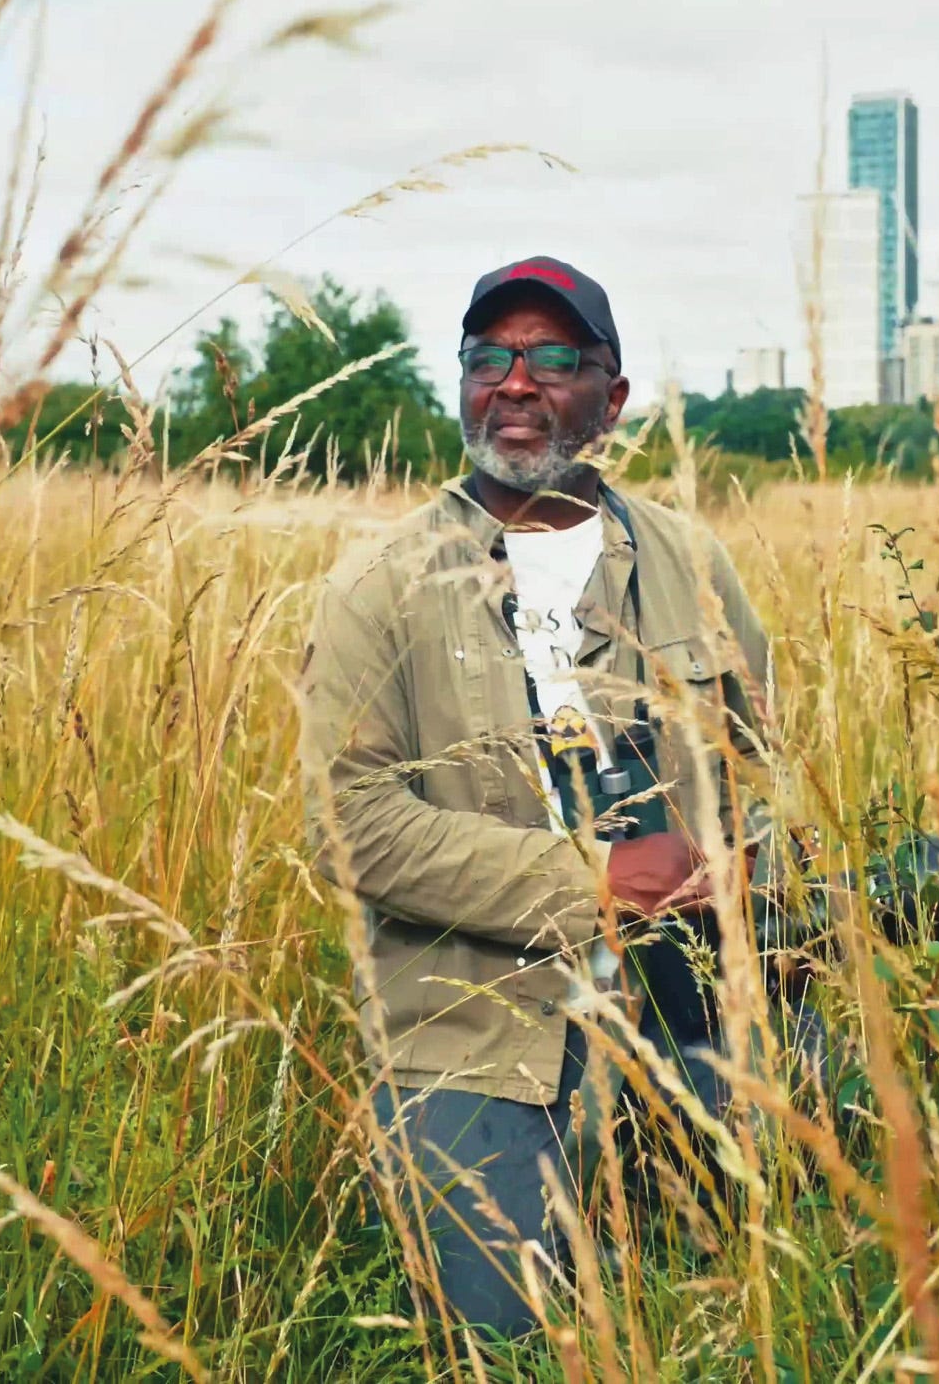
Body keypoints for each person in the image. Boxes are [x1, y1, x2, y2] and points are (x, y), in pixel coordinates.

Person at [296, 255, 773, 1341]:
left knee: (754, 1295)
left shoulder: (688, 560)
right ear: (461, 385)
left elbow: (757, 769)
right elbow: (350, 825)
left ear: (611, 399)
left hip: (687, 1003)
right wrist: (593, 881)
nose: (516, 380)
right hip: (479, 1030)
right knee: (507, 1337)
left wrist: (740, 871)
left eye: (554, 357)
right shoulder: (383, 581)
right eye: (489, 357)